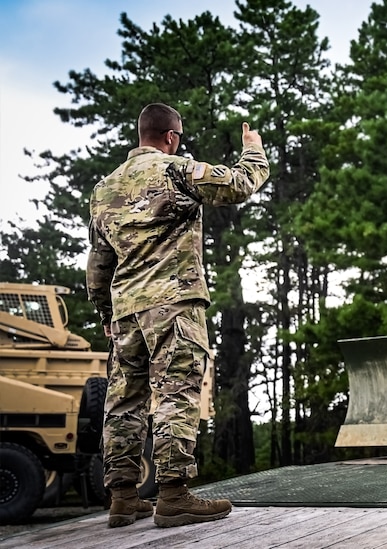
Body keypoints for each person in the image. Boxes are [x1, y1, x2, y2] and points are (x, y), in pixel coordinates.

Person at [86, 103, 270, 528]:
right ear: (171, 137)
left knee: (123, 402)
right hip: (173, 306)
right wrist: (254, 150)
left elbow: (98, 266)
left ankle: (123, 497)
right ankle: (173, 495)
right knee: (176, 392)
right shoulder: (176, 170)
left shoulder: (104, 190)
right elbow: (240, 184)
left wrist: (107, 317)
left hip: (126, 313)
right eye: (179, 138)